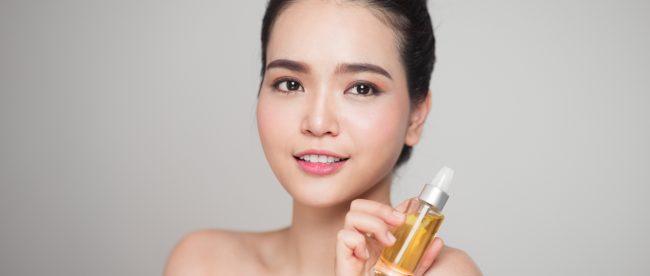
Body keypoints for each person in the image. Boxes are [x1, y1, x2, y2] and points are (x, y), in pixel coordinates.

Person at [164, 0, 481, 275]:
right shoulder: (202, 263)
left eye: (361, 88)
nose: (317, 122)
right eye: (290, 84)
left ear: (416, 116)